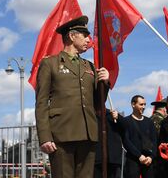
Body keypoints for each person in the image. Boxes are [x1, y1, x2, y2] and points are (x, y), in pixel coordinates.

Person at [35, 15, 110, 178]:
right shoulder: (50, 63)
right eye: (84, 35)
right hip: (62, 134)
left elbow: (98, 103)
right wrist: (44, 137)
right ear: (71, 36)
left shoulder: (89, 66)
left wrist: (105, 83)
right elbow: (41, 102)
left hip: (88, 133)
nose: (88, 40)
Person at [121, 95, 157, 178]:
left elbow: (154, 140)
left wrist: (151, 157)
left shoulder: (149, 122)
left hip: (148, 161)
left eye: (145, 104)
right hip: (133, 160)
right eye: (141, 104)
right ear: (133, 104)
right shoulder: (126, 121)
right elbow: (126, 141)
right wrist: (139, 156)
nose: (144, 107)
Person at [94, 109, 124, 178]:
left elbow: (125, 129)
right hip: (96, 158)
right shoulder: (90, 114)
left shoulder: (112, 115)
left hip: (113, 159)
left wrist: (118, 118)